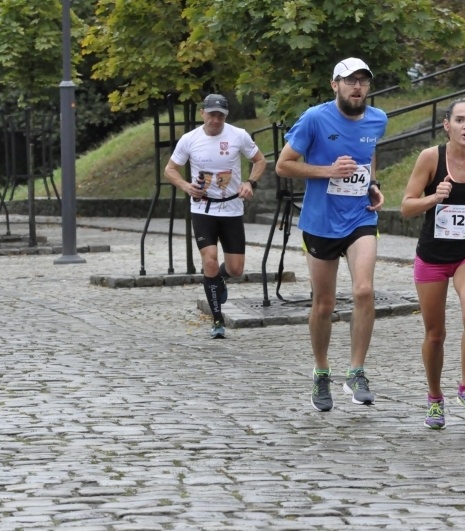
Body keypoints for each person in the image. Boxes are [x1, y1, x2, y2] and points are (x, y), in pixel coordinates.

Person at [275, 57, 388, 412]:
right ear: (334, 84)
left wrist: (373, 184)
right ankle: (321, 372)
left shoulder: (377, 119)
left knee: (364, 290)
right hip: (321, 222)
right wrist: (328, 170)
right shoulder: (314, 118)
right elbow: (283, 164)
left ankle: (356, 371)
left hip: (360, 218)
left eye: (363, 81)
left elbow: (369, 154)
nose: (357, 87)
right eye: (349, 80)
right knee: (323, 304)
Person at [401, 99, 465, 429]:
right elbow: (406, 207)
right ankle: (434, 398)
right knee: (435, 334)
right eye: (460, 120)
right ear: (447, 125)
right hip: (431, 257)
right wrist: (434, 198)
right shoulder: (431, 158)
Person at [165, 93, 267, 339]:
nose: (215, 120)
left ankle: (217, 279)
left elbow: (260, 160)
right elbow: (170, 169)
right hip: (202, 209)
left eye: (220, 115)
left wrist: (250, 182)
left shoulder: (238, 135)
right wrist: (186, 186)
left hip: (231, 208)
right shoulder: (190, 139)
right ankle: (217, 319)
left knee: (235, 269)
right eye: (211, 114)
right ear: (203, 113)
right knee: (209, 259)